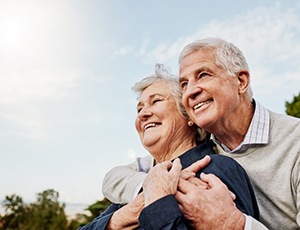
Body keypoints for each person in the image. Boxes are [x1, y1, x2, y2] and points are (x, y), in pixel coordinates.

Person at [103, 38, 300, 229]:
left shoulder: (294, 141)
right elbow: (115, 176)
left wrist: (234, 224)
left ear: (241, 81)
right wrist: (150, 189)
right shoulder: (196, 154)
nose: (191, 91)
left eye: (204, 75)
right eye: (184, 84)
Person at [80, 64, 259, 229]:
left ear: (189, 116)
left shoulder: (216, 171)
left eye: (156, 101)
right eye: (139, 109)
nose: (143, 114)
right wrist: (125, 216)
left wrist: (159, 202)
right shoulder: (141, 186)